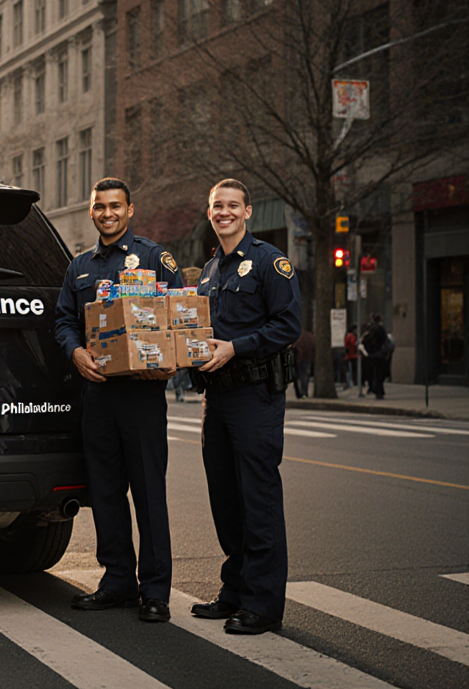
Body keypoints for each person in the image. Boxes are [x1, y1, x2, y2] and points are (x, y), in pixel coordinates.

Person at [54, 177, 182, 624]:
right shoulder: (80, 268)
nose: (107, 213)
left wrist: (169, 360)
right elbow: (64, 320)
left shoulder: (152, 257)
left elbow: (179, 313)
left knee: (148, 493)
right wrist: (75, 352)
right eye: (100, 207)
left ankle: (156, 591)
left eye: (115, 207)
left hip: (142, 396)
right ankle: (117, 583)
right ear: (91, 212)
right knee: (105, 492)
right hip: (99, 395)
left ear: (130, 210)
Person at [189, 179, 301, 636]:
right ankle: (234, 590)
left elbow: (288, 325)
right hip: (216, 398)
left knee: (258, 502)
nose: (224, 213)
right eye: (218, 206)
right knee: (226, 501)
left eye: (233, 206)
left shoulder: (270, 263)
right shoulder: (210, 269)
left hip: (256, 397)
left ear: (248, 211)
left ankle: (263, 605)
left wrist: (237, 347)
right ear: (210, 211)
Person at [361, 315, 389, 400]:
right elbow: (385, 341)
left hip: (371, 354)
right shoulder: (380, 329)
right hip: (379, 354)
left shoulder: (370, 329)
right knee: (379, 373)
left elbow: (364, 339)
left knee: (373, 373)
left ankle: (374, 388)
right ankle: (378, 391)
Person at [292, 329, 315, 399]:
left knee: (300, 376)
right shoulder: (311, 337)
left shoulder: (299, 337)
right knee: (305, 376)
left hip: (299, 359)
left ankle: (300, 392)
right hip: (308, 359)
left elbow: (296, 348)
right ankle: (304, 392)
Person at [343, 325, 358, 390]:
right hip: (352, 355)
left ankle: (351, 382)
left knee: (350, 369)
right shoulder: (351, 336)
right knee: (352, 369)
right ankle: (354, 381)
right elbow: (353, 343)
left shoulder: (348, 335)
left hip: (351, 355)